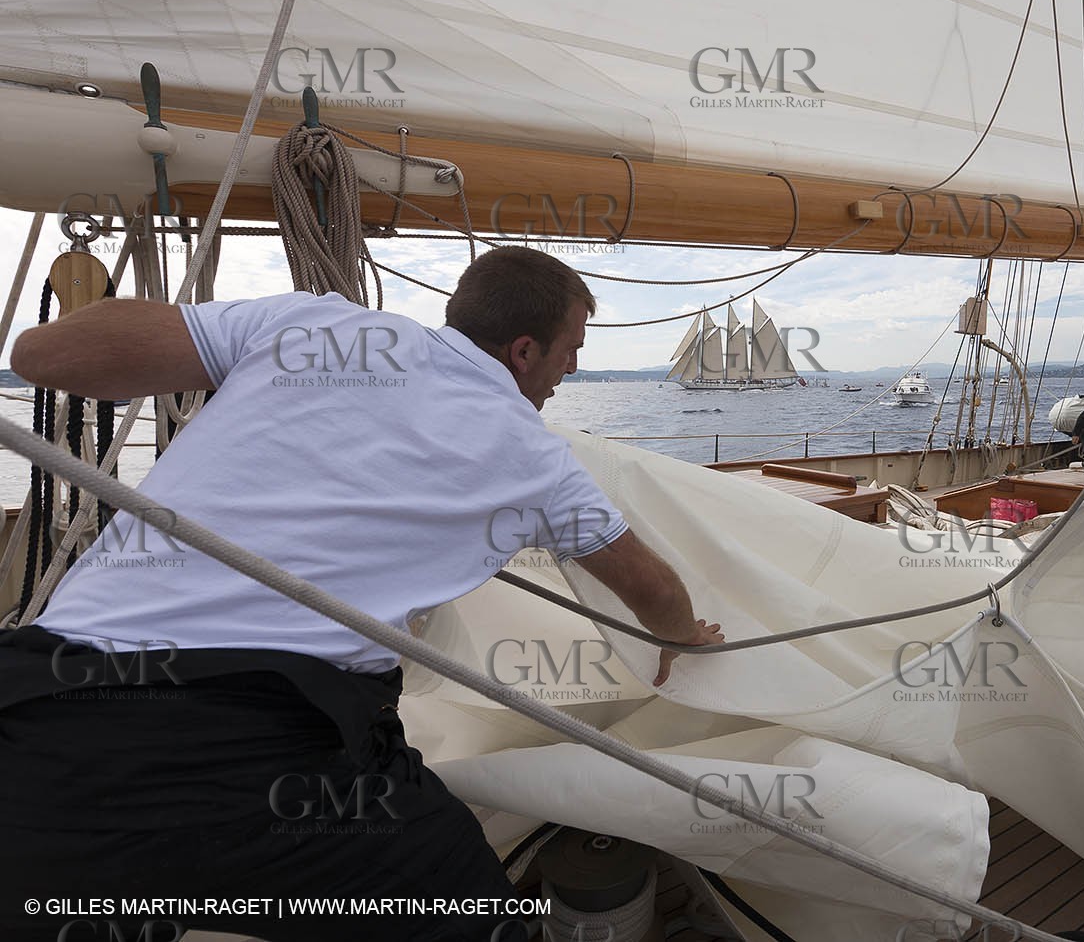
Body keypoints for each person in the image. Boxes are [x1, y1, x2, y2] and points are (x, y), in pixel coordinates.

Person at [0, 246, 723, 942]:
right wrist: (684, 633)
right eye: (572, 347)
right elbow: (649, 586)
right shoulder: (537, 459)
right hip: (279, 747)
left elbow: (38, 359)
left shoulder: (313, 324)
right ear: (524, 351)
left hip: (50, 713)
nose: (574, 365)